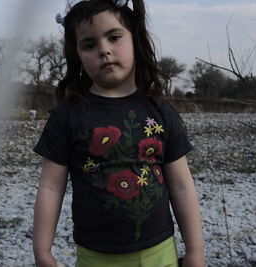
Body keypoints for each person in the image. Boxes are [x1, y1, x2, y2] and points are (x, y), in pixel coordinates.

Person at [32, 0, 205, 266]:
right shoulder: (67, 115)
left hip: (158, 254)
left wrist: (195, 251)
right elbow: (50, 186)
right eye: (89, 45)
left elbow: (182, 185)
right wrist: (42, 251)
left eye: (114, 37)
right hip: (94, 257)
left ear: (135, 40)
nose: (104, 50)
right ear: (77, 54)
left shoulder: (160, 111)